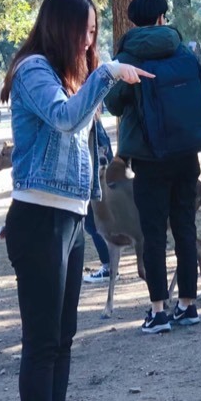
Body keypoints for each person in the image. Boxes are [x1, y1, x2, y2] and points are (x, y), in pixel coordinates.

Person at [0, 0, 152, 401]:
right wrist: (105, 72)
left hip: (67, 215)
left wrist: (98, 75)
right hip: (39, 217)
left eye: (94, 34)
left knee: (63, 335)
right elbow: (65, 120)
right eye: (86, 31)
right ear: (62, 27)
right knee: (43, 337)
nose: (91, 41)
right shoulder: (33, 71)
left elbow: (88, 118)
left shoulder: (66, 74)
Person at [105, 0, 201, 334]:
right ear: (163, 17)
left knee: (152, 233)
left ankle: (157, 311)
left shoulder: (127, 55)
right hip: (186, 153)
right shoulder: (184, 51)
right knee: (185, 227)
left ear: (133, 21)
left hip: (149, 157)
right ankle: (188, 305)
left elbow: (115, 105)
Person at [83, 119, 117, 283]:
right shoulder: (93, 118)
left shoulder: (88, 119)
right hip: (99, 176)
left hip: (94, 178)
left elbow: (102, 151)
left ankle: (109, 266)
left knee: (92, 223)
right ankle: (110, 264)